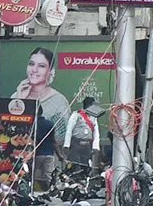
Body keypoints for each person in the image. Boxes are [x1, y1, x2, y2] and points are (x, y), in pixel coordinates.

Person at [12, 46, 70, 175]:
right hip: (18, 162)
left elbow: (60, 138)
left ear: (50, 71)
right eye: (31, 64)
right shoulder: (16, 96)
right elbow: (9, 130)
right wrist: (21, 99)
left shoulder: (59, 101)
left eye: (41, 66)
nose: (34, 70)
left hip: (46, 160)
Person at [62, 96, 100, 168]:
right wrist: (67, 145)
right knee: (74, 165)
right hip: (76, 143)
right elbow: (69, 130)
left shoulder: (94, 117)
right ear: (88, 105)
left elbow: (96, 133)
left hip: (87, 145)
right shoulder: (76, 114)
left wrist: (96, 146)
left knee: (86, 166)